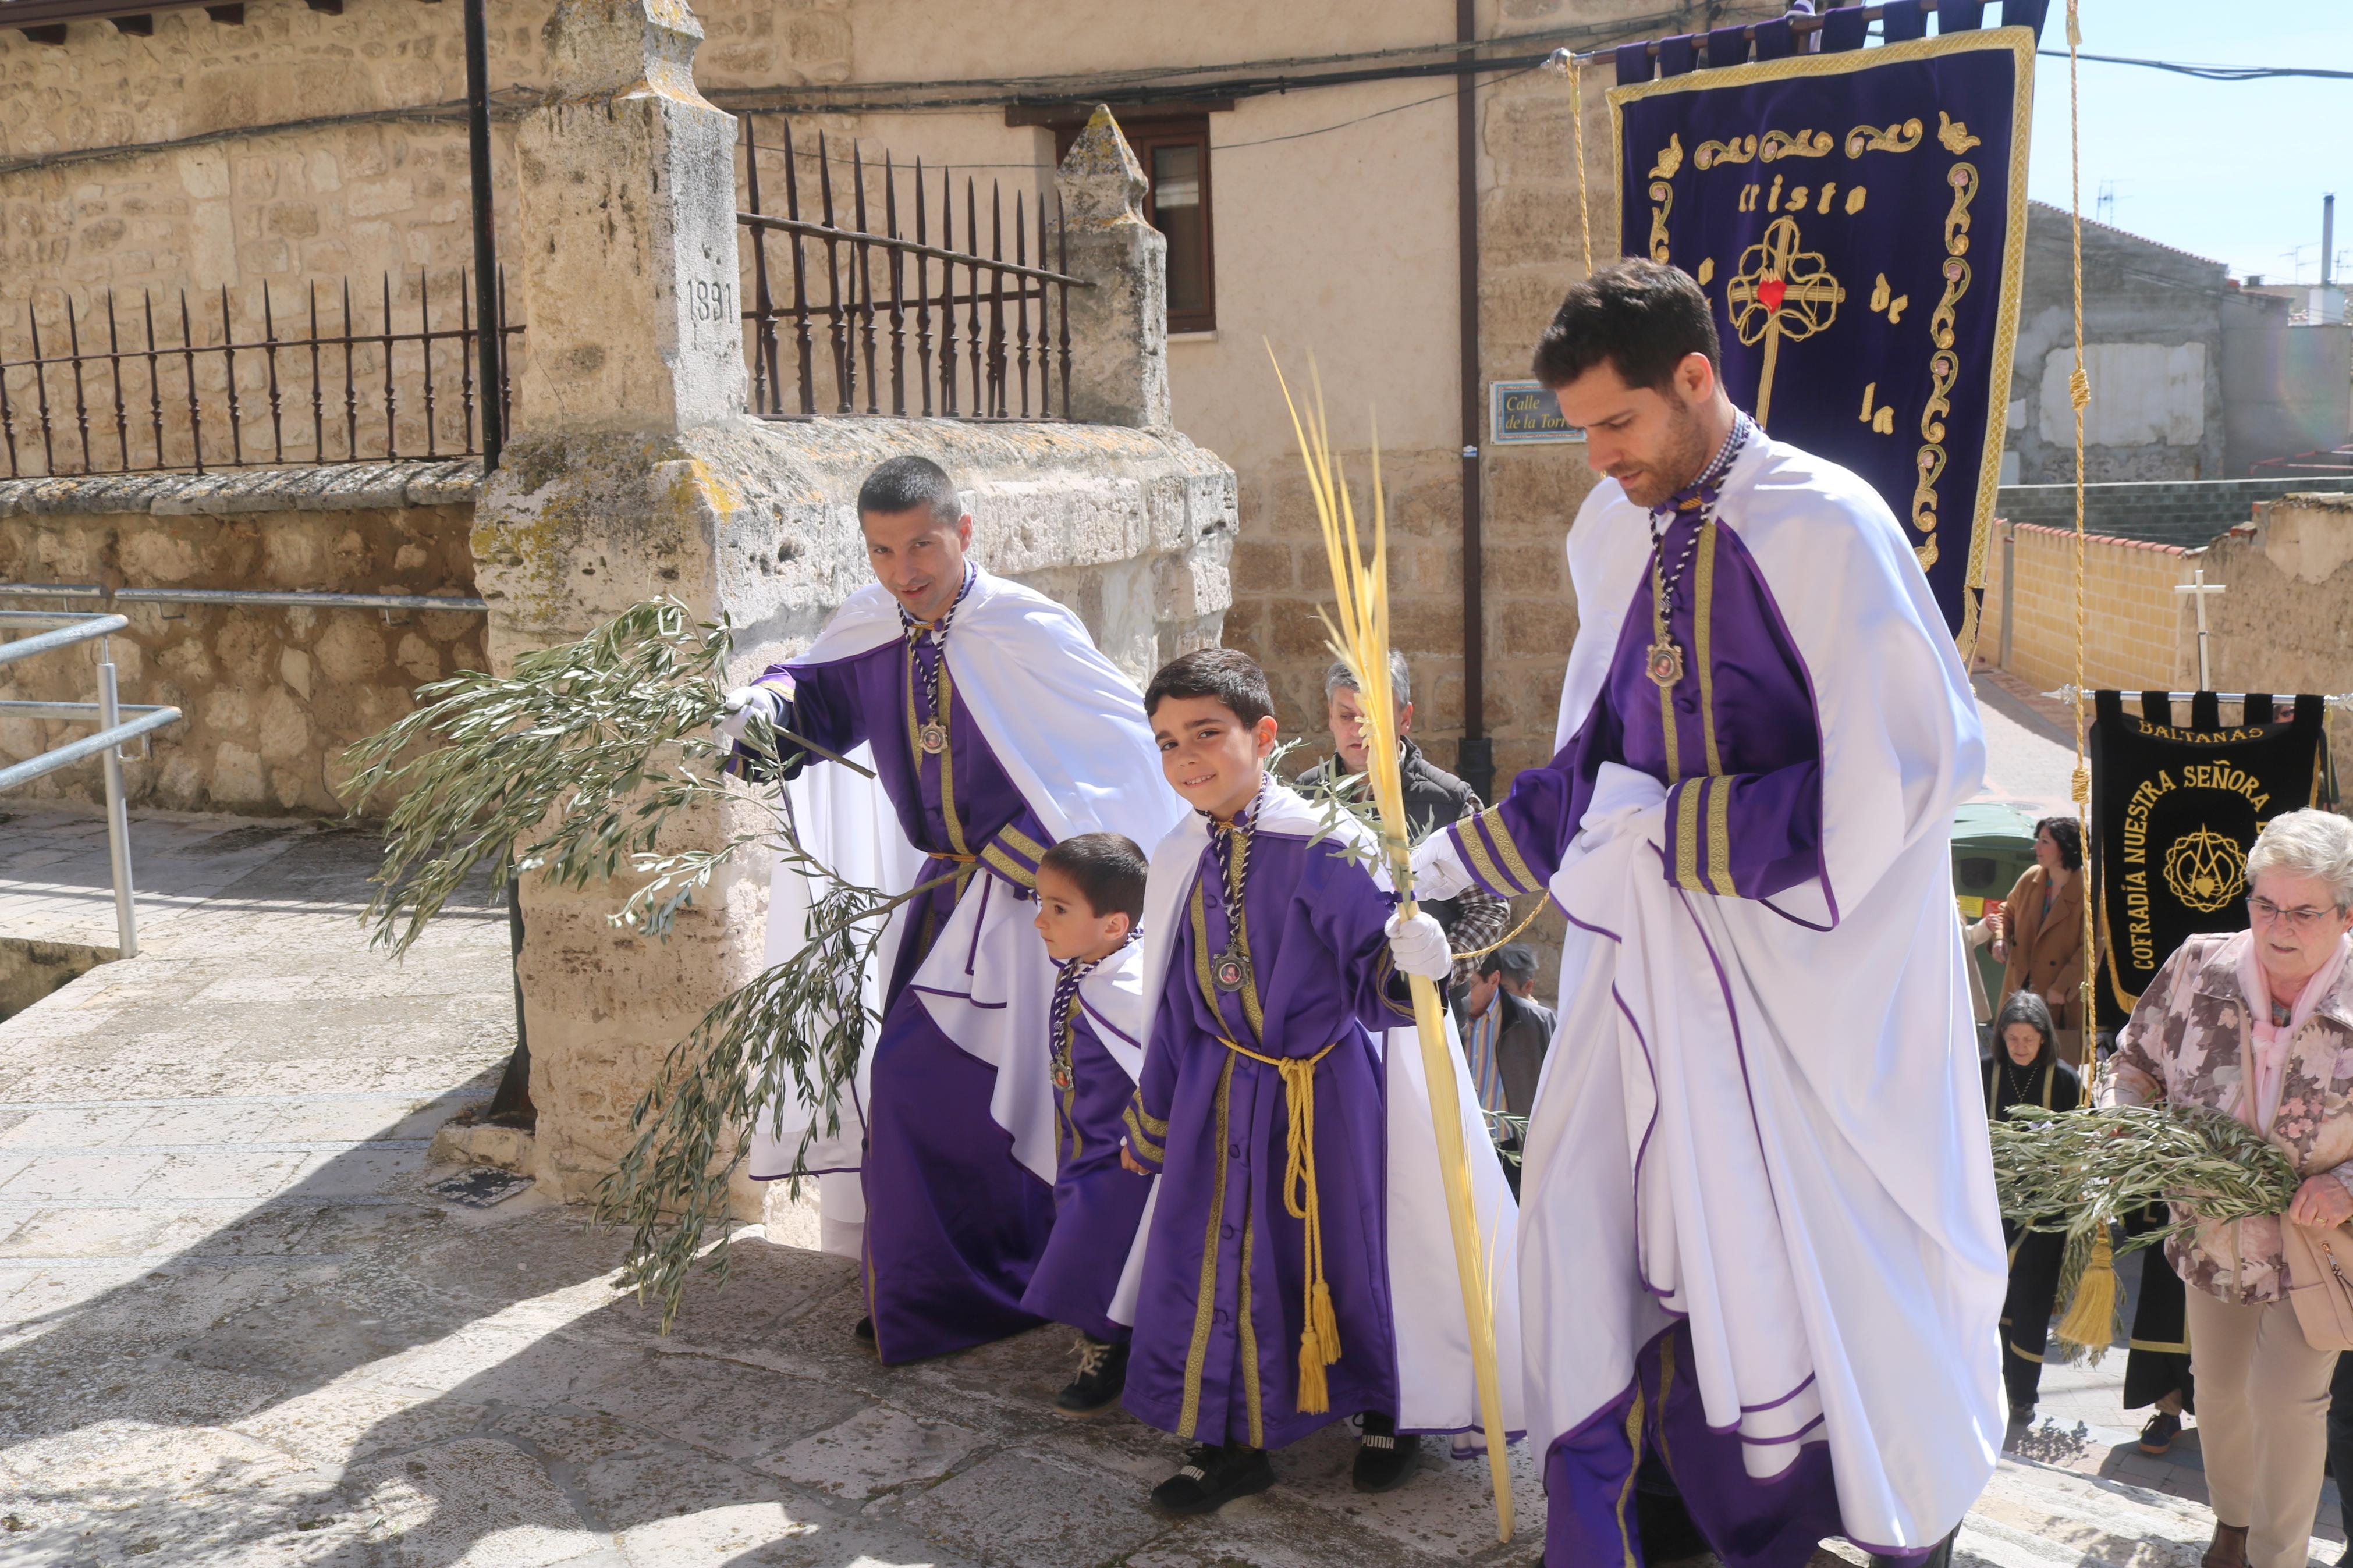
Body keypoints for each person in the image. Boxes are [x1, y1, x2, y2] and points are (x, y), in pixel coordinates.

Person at [1411, 259, 2003, 1567]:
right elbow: (1594, 752)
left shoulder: (1822, 525)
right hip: (1661, 972)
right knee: (1625, 1218)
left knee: (1820, 1256)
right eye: (1577, 432)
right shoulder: (1608, 534)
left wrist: (1674, 834)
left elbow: (1903, 776)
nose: (1596, 459)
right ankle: (1667, 1499)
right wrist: (1449, 862)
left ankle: (1854, 1509)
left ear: (1695, 380)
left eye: (1615, 424)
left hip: (1816, 988)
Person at [718, 456, 1186, 1365]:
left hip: (1046, 915)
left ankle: (1059, 1287)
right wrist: (755, 707)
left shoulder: (1028, 630)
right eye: (883, 550)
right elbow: (815, 698)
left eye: (921, 544)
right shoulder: (872, 625)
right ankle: (936, 1290)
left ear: (962, 534)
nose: (904, 570)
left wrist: (1046, 863)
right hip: (947, 908)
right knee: (915, 1087)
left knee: (1051, 1105)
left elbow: (1119, 765)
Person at [1115, 648, 1522, 1514]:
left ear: (1261, 734)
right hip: (1219, 1090)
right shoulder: (1176, 852)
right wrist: (1153, 1117)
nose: (1184, 757)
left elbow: (1377, 973)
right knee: (1213, 1256)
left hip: (1321, 1094)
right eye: (1165, 741)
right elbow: (1173, 1000)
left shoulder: (1323, 844)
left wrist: (1417, 960)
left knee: (1345, 1248)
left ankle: (1387, 1409)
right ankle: (1229, 1441)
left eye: (1205, 734)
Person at [2099, 807, 2353, 1568]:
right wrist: (2125, 1123)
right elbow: (2133, 1062)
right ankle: (2231, 1525)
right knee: (2214, 1391)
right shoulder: (2195, 965)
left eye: (2301, 910)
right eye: (2262, 902)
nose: (2276, 925)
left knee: (2286, 1402)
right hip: (2208, 1227)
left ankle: (2275, 1556)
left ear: (2344, 913)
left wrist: (2344, 1181)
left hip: (2315, 1247)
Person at [1023, 831, 1156, 1415]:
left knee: (1093, 1243)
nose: (1039, 921)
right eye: (1039, 902)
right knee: (1093, 1242)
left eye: (1057, 908)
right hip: (1080, 1134)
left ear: (1112, 924)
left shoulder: (1127, 987)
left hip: (1119, 1152)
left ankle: (1105, 1346)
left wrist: (1144, 1131)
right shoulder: (1086, 966)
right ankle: (1112, 1336)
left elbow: (1159, 1067)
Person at [1298, 654, 1511, 989]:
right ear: (1330, 717)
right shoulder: (1302, 800)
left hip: (1421, 1008)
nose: (1358, 730)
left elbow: (1488, 905)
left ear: (1405, 717)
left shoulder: (1450, 801)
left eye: (1374, 717)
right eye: (1346, 715)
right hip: (1330, 1004)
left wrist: (1440, 964)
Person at [1981, 991, 2082, 1427]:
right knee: (1986, 1295)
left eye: (2029, 1038)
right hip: (1986, 1203)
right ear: (2001, 1037)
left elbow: (2076, 1144)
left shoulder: (2064, 1080)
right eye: (2013, 1037)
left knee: (2030, 1299)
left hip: (2044, 1209)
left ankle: (2022, 1394)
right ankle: (1986, 1383)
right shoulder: (1982, 1073)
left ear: (2044, 1039)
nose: (2021, 1046)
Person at [1458, 943, 1553, 1194]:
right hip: (1460, 1153)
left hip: (1514, 1153)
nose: (1462, 994)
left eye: (1470, 985)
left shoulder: (1535, 1023)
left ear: (1494, 979)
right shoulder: (1448, 1019)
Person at [1990, 817, 2086, 1063]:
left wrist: (2063, 986)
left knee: (2050, 1061)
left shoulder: (2088, 889)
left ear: (2065, 848)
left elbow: (2093, 946)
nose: (2037, 848)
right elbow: (2006, 911)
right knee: (2011, 1052)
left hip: (2056, 995)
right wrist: (2001, 939)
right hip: (2019, 985)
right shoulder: (2032, 877)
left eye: (2045, 842)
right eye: (2038, 840)